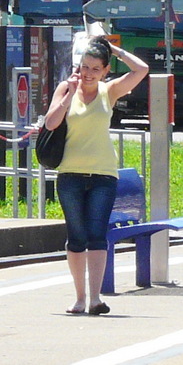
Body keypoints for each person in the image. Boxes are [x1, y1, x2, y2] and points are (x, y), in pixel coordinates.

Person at [42, 37, 149, 316]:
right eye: (84, 67)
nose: (88, 73)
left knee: (97, 235)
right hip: (70, 174)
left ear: (105, 71)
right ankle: (79, 298)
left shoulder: (109, 91)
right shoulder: (67, 88)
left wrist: (114, 49)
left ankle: (95, 298)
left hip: (103, 174)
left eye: (94, 69)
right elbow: (51, 123)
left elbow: (141, 70)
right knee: (76, 237)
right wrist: (69, 95)